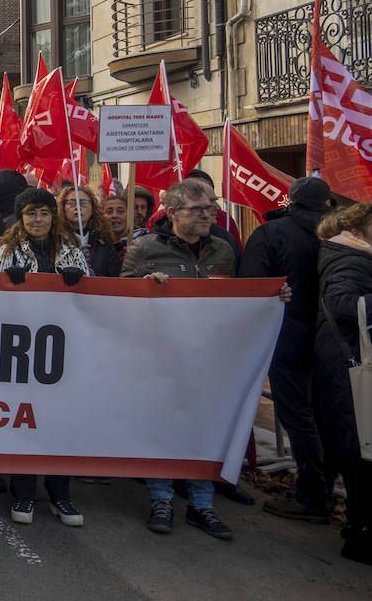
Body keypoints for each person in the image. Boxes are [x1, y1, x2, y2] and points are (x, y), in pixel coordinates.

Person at [122, 180, 239, 540]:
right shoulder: (143, 248)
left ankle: (202, 504)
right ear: (172, 213)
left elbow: (237, 300)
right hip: (160, 356)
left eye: (211, 208)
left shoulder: (224, 250)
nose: (208, 214)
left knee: (205, 427)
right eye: (198, 209)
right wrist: (143, 284)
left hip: (208, 359)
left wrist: (271, 297)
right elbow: (119, 296)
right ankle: (162, 498)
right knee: (164, 426)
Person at [0, 187, 90, 527]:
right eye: (31, 213)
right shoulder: (8, 249)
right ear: (21, 216)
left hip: (63, 349)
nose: (37, 219)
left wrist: (78, 283)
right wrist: (10, 284)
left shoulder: (71, 248)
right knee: (25, 422)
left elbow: (92, 298)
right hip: (22, 350)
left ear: (53, 216)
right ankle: (24, 492)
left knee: (60, 423)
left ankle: (60, 494)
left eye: (44, 212)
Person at [237, 177, 333, 525]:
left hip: (287, 336)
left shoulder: (270, 232)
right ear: (327, 204)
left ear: (290, 199)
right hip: (331, 341)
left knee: (298, 417)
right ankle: (322, 487)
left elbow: (251, 285)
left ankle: (312, 496)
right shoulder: (339, 236)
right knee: (324, 415)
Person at [314, 203, 372, 564]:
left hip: (351, 364)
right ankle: (360, 535)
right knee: (361, 453)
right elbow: (341, 303)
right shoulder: (350, 257)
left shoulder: (357, 253)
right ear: (362, 228)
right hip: (350, 368)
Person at [58, 185, 120, 278]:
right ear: (63, 208)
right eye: (72, 203)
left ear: (92, 208)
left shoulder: (104, 240)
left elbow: (114, 277)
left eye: (83, 203)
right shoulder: (56, 239)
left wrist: (91, 274)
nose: (77, 207)